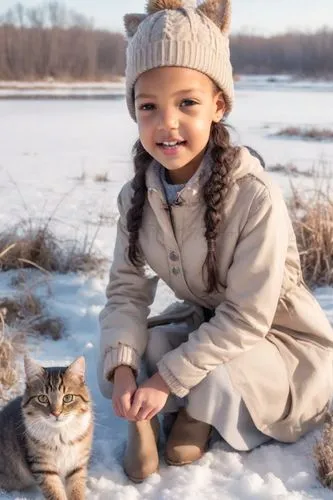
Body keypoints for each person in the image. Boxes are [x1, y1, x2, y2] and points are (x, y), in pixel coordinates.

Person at [98, 0, 333, 483]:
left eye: (187, 103)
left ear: (218, 105)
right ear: (134, 111)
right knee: (151, 342)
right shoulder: (137, 197)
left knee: (221, 369)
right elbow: (125, 290)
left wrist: (166, 379)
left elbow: (248, 316)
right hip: (209, 324)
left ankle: (199, 414)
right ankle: (143, 419)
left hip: (273, 337)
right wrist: (124, 371)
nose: (167, 123)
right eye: (149, 107)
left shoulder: (253, 194)